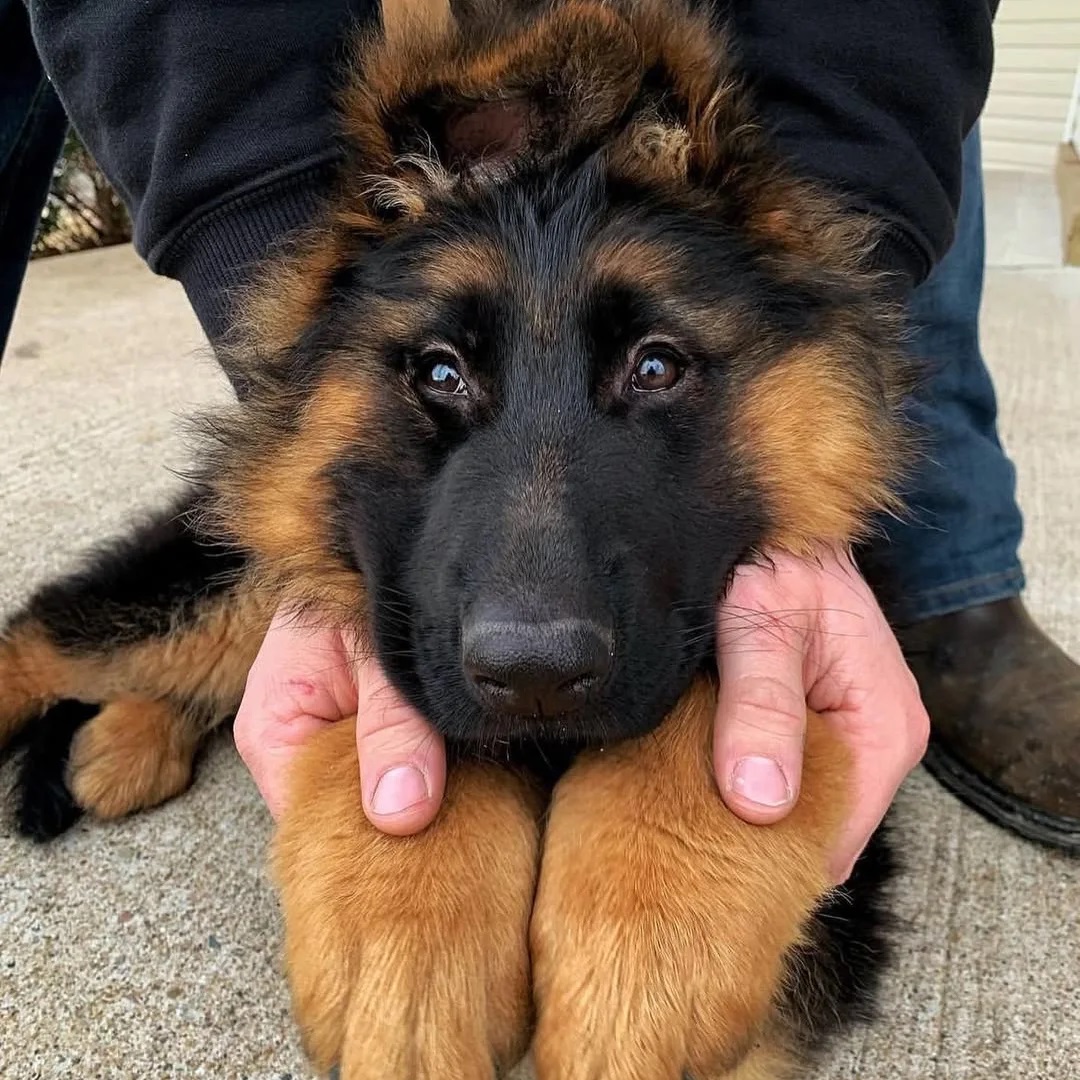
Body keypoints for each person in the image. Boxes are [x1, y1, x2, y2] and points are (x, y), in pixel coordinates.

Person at [2, 0, 1074, 882]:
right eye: (434, 375)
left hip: (780, 134)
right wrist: (282, 247)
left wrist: (839, 227)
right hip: (352, 109)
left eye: (655, 369)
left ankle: (955, 578)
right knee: (265, 574)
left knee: (805, 572)